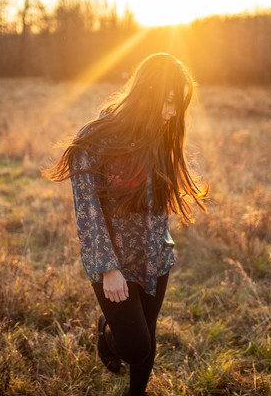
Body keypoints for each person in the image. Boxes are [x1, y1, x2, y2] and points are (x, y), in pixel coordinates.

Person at [44, 53, 208, 395]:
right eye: (167, 102)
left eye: (178, 105)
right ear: (144, 93)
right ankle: (108, 335)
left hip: (154, 254)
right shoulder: (94, 139)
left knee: (147, 337)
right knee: (134, 345)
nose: (172, 112)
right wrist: (108, 268)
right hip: (113, 258)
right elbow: (87, 211)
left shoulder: (161, 132)